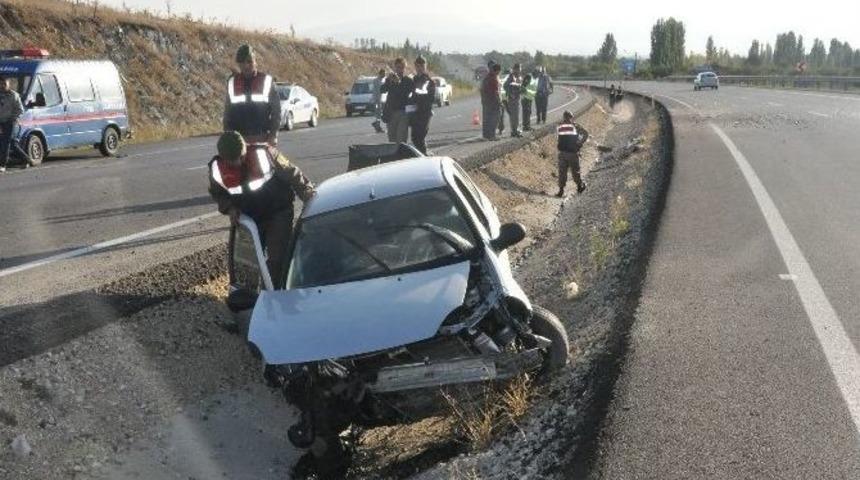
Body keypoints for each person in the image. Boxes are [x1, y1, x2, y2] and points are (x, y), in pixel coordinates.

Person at [209, 131, 315, 287]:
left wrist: (308, 194)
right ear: (223, 158)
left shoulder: (265, 154)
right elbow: (219, 195)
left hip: (277, 212)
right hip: (250, 219)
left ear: (245, 150)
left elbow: (292, 173)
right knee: (248, 260)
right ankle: (249, 293)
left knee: (277, 258)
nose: (237, 163)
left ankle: (274, 292)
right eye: (232, 161)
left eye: (240, 157)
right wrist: (230, 208)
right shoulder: (217, 170)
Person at [223, 44, 281, 147]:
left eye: (249, 62)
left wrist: (273, 135)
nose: (246, 66)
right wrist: (228, 136)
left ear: (255, 62)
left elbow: (276, 112)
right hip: (239, 141)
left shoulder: (266, 81)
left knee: (266, 163)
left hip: (263, 138)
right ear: (239, 64)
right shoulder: (232, 82)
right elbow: (227, 114)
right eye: (242, 62)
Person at [0, 75, 31, 172]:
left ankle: (3, 165)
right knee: (13, 144)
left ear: (8, 84)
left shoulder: (14, 95)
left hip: (10, 122)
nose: (2, 86)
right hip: (0, 122)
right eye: (0, 84)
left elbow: (20, 110)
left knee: (6, 143)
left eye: (4, 84)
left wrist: (13, 118)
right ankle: (27, 159)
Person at [555, 110, 589, 197]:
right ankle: (579, 187)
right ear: (571, 117)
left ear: (564, 117)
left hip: (562, 153)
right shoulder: (575, 126)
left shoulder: (560, 126)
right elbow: (586, 134)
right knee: (575, 171)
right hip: (572, 153)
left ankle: (561, 191)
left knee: (562, 172)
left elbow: (558, 138)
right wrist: (579, 143)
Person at [381, 57, 414, 144]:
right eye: (398, 67)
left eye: (401, 67)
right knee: (392, 139)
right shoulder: (390, 79)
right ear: (395, 68)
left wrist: (398, 83)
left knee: (401, 139)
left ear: (404, 68)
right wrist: (389, 81)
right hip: (391, 112)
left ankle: (402, 156)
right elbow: (382, 90)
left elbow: (407, 94)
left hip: (403, 112)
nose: (399, 70)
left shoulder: (408, 81)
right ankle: (395, 157)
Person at [409, 56, 436, 154]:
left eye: (422, 65)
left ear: (425, 66)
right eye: (418, 65)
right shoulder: (414, 80)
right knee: (415, 137)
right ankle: (425, 155)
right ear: (415, 66)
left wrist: (418, 100)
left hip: (424, 113)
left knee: (419, 137)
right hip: (414, 114)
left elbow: (430, 98)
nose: (420, 67)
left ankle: (425, 156)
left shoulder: (429, 81)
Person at [480, 62, 501, 141]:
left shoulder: (486, 77)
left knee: (487, 119)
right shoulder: (494, 78)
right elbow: (495, 92)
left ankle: (486, 135)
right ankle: (492, 135)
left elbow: (481, 89)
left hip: (486, 101)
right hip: (493, 101)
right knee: (495, 118)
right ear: (497, 71)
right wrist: (499, 102)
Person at [503, 63, 524, 137]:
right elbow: (505, 86)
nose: (520, 70)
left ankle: (515, 131)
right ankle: (514, 131)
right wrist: (510, 93)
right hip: (512, 99)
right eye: (518, 68)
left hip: (517, 98)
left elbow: (520, 86)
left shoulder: (519, 77)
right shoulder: (511, 77)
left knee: (516, 116)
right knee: (513, 116)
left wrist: (521, 90)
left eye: (520, 68)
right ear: (515, 69)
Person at [371, 68, 386, 133]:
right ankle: (377, 126)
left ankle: (377, 125)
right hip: (377, 101)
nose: (384, 75)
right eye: (384, 74)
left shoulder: (381, 80)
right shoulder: (376, 81)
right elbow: (377, 92)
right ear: (381, 73)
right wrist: (378, 101)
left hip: (380, 100)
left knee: (379, 113)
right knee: (378, 113)